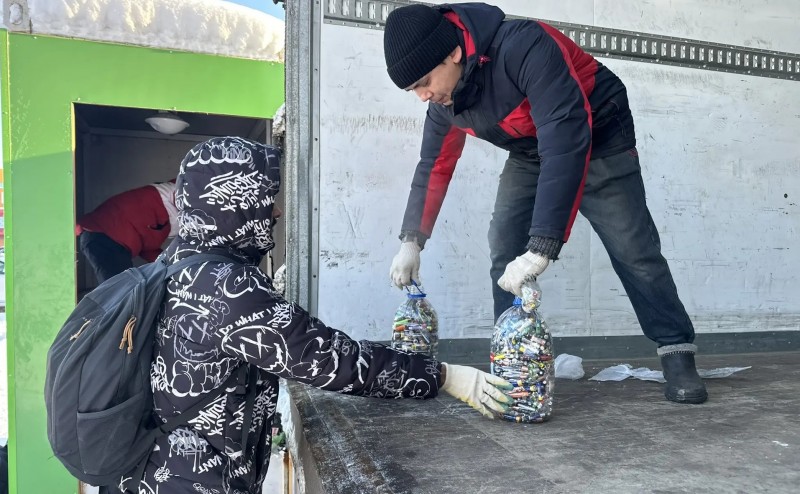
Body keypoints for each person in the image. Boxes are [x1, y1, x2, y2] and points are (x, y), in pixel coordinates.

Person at [104, 137, 512, 494]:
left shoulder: (176, 260)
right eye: (267, 198)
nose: (277, 212)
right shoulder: (225, 287)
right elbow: (329, 358)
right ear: (234, 200)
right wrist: (440, 375)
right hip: (186, 482)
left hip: (152, 473)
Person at [383, 3, 707, 404]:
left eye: (424, 82)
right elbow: (434, 164)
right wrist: (412, 239)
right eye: (413, 89)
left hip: (597, 130)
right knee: (504, 242)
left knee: (632, 248)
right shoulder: (445, 101)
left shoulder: (524, 45)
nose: (422, 96)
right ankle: (512, 360)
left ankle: (676, 351)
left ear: (452, 53)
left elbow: (565, 135)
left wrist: (543, 246)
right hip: (532, 147)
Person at [76, 180, 178, 283]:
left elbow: (147, 247)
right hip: (102, 234)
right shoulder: (171, 192)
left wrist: (171, 265)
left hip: (116, 243)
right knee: (119, 291)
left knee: (125, 290)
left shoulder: (174, 222)